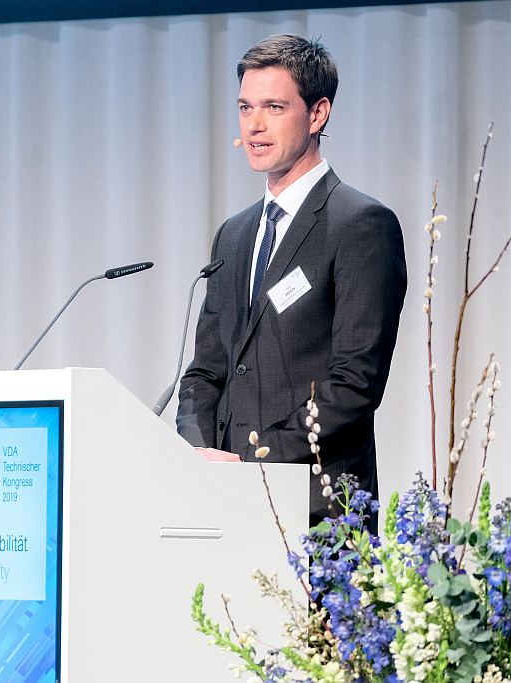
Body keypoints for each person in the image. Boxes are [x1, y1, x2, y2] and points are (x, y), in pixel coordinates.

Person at [176, 34, 407, 530]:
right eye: (246, 107)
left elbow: (354, 385)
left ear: (317, 114)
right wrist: (197, 454)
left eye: (274, 107)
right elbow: (205, 373)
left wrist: (253, 459)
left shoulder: (360, 225)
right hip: (224, 503)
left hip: (317, 512)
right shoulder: (234, 234)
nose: (254, 125)